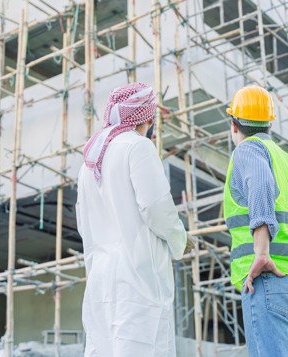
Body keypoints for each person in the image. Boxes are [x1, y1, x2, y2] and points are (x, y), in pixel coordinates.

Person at [76, 83, 192, 357]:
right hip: (138, 277)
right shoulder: (138, 147)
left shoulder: (90, 161)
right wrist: (180, 240)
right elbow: (156, 208)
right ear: (147, 119)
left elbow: (84, 224)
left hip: (101, 279)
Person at [223, 85, 288, 357]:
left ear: (234, 125)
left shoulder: (248, 151)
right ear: (270, 124)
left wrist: (262, 252)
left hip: (271, 278)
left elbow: (260, 183)